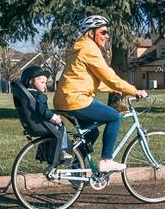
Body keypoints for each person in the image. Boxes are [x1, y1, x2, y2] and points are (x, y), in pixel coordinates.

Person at [53, 15, 147, 172]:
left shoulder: (80, 49)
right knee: (114, 116)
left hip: (65, 101)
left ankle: (76, 168)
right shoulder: (90, 49)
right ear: (91, 33)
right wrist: (134, 90)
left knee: (91, 132)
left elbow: (90, 79)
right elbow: (109, 77)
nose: (107, 36)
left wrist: (113, 88)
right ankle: (106, 160)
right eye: (103, 32)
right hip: (76, 100)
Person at [21, 65, 70, 160]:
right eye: (42, 82)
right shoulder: (39, 96)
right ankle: (62, 151)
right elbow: (42, 110)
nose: (45, 84)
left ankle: (42, 154)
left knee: (51, 132)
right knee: (60, 126)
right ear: (31, 81)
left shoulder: (27, 94)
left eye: (46, 82)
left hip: (35, 123)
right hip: (42, 123)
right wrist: (53, 117)